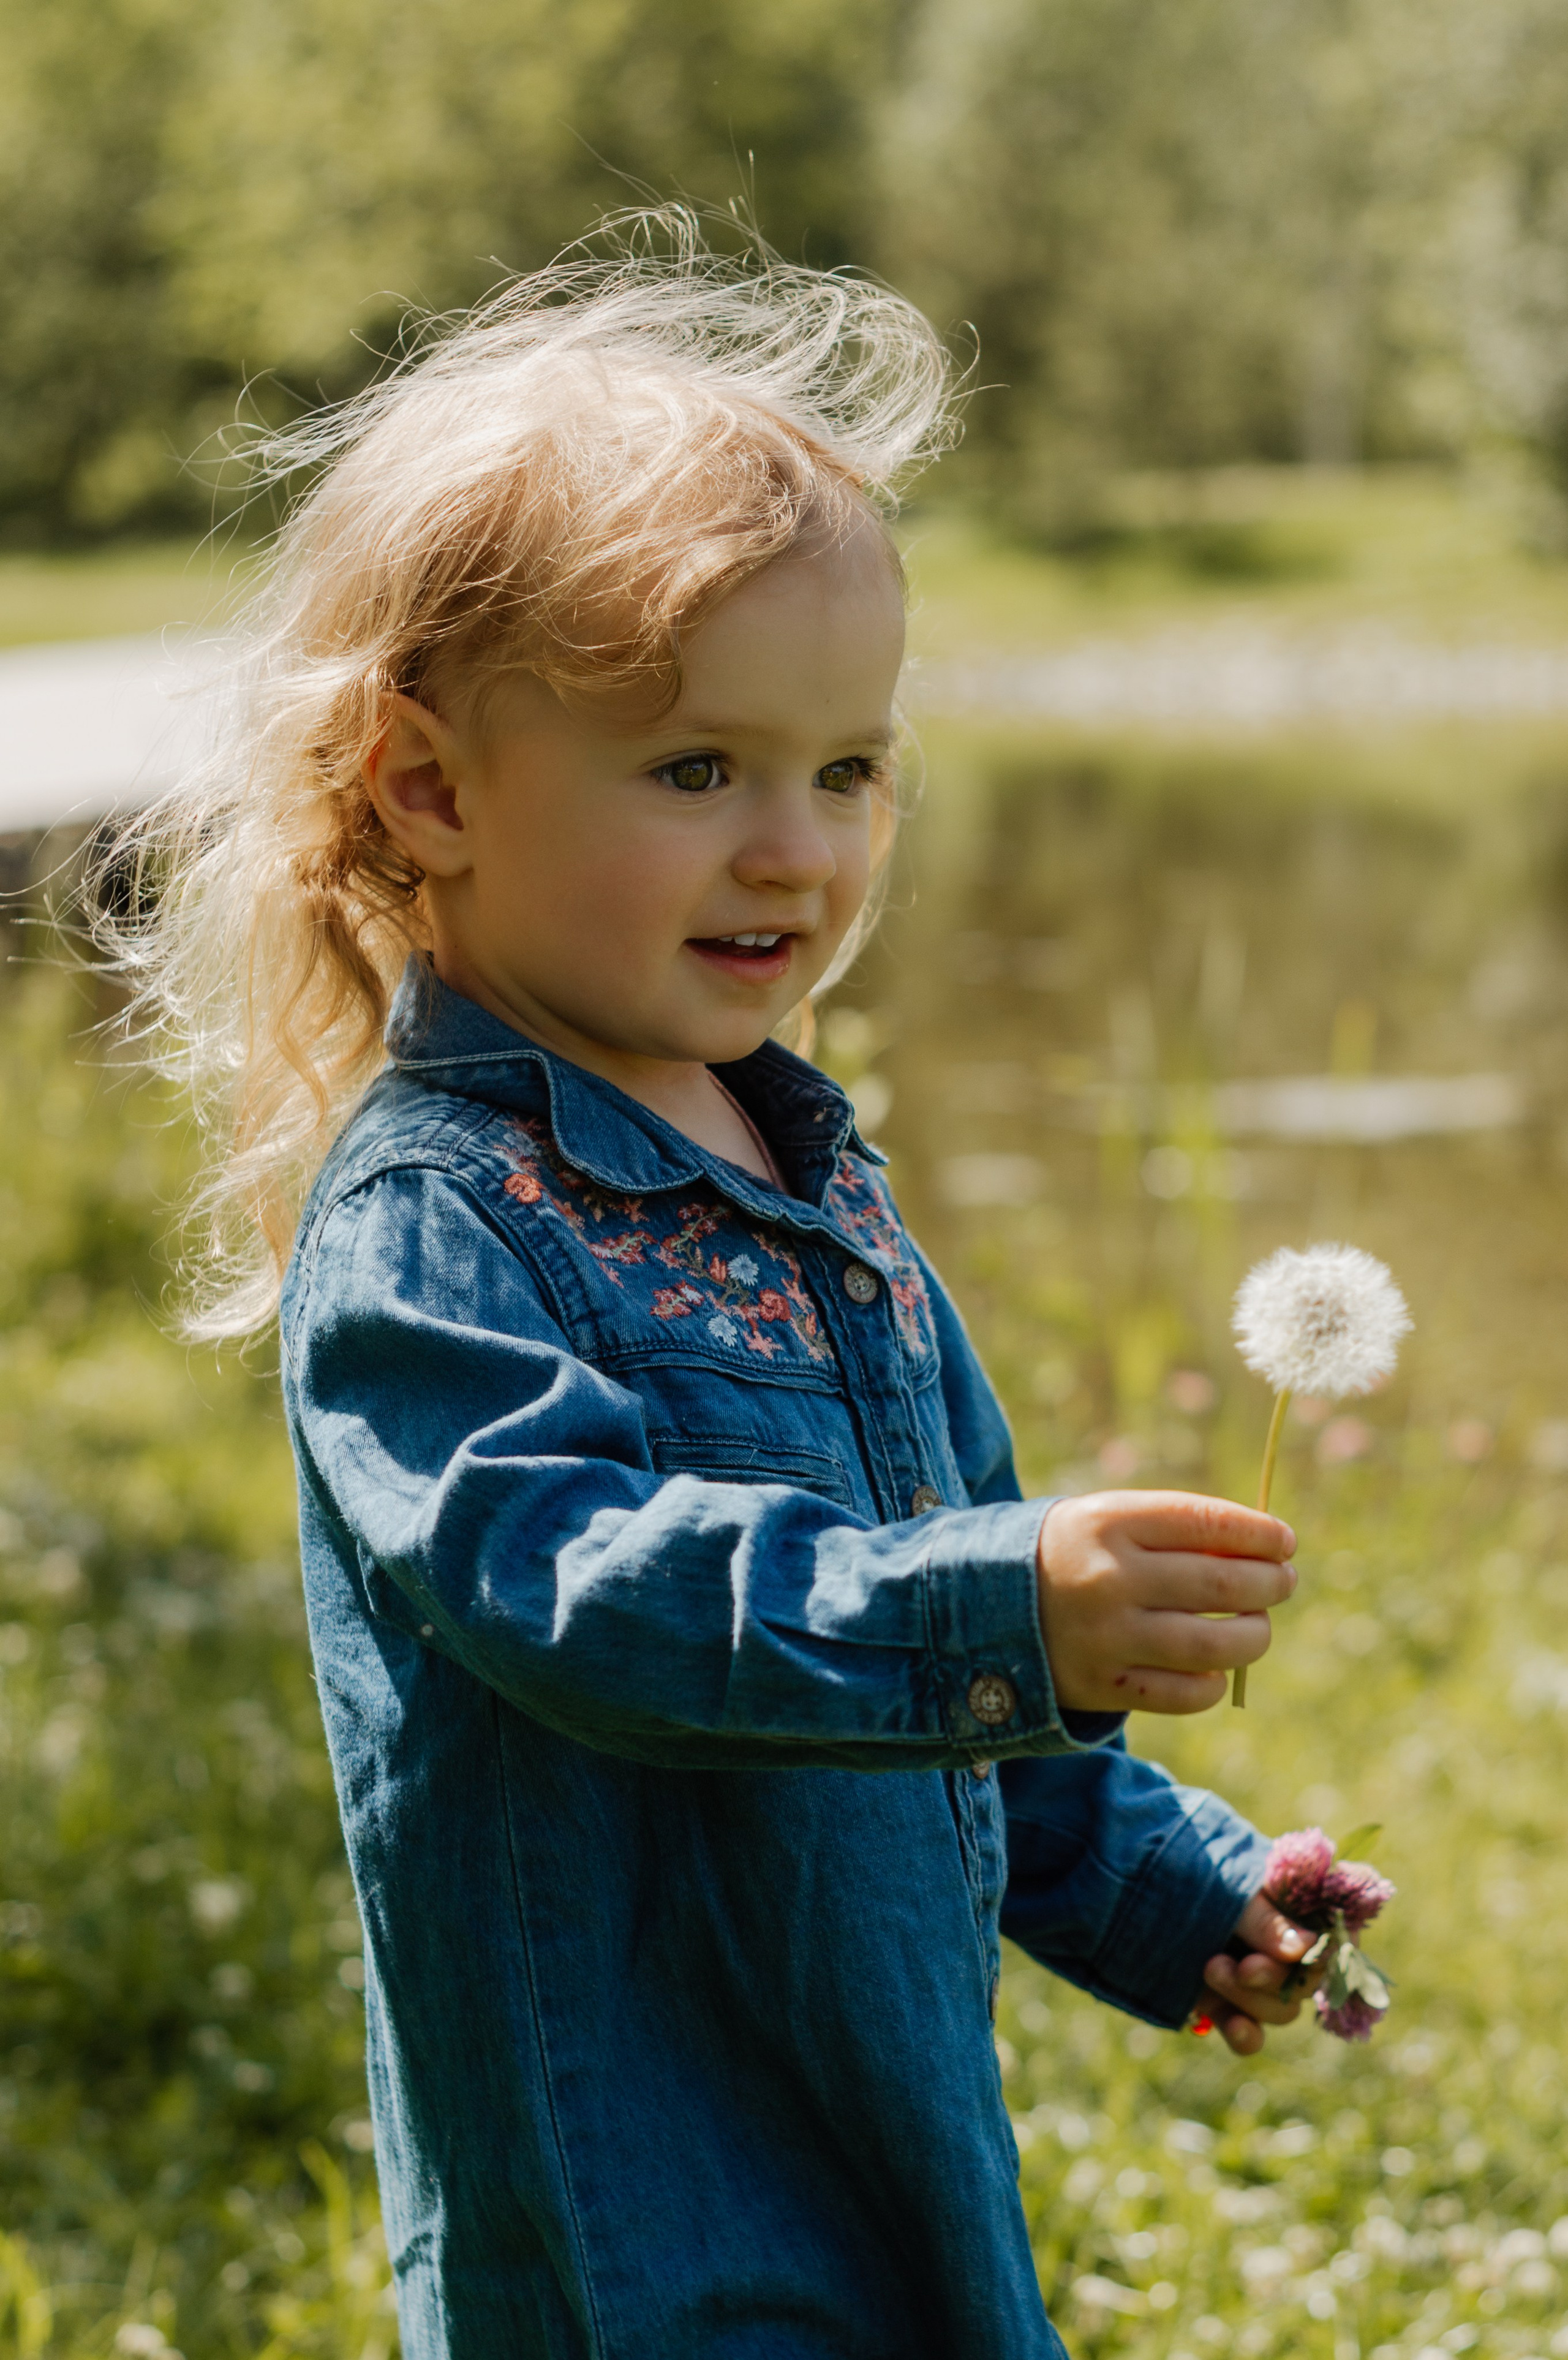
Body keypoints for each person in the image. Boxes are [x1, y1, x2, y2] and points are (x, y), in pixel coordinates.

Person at [112, 215, 1316, 2359]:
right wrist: (992, 1600)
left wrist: (1171, 1882)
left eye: (847, 769)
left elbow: (957, 1719)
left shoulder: (819, 1187)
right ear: (428, 783)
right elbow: (579, 1589)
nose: (799, 848)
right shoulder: (437, 1225)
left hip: (887, 2144)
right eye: (699, 769)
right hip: (638, 2210)